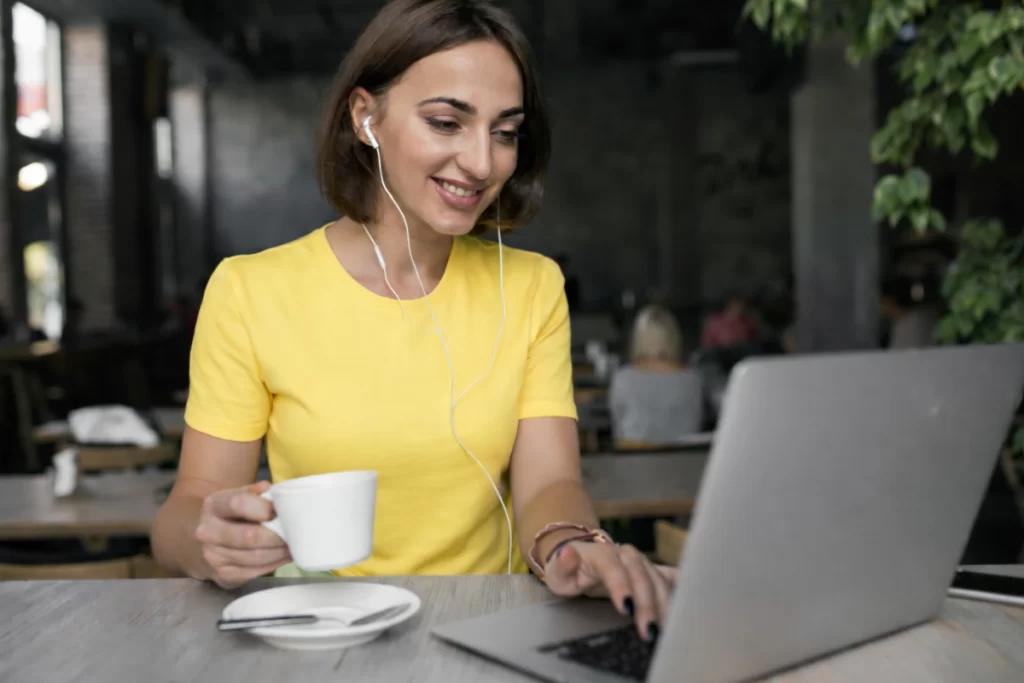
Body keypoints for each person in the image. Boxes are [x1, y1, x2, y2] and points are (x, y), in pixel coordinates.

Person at [151, 0, 671, 641]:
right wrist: (212, 545)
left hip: (491, 629)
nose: (482, 164)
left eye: (504, 132)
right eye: (447, 122)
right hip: (321, 636)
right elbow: (183, 512)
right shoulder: (249, 290)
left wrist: (570, 546)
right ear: (366, 117)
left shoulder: (532, 287)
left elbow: (552, 484)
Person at [609, 305, 705, 446]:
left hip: (632, 460)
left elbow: (617, 426)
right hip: (684, 460)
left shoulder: (622, 377)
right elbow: (697, 422)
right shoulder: (693, 378)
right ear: (674, 338)